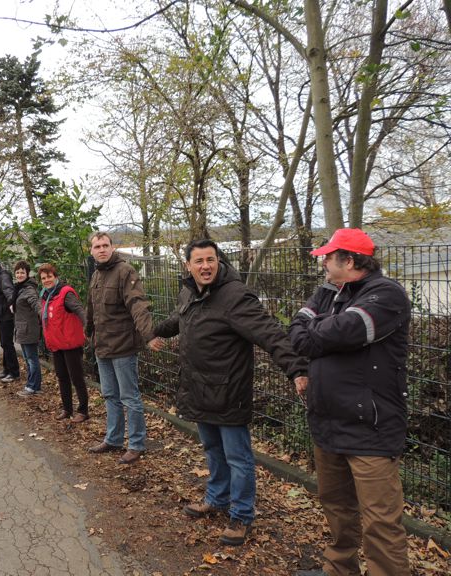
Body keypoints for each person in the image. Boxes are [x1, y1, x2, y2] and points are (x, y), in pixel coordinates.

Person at [151, 239, 307, 546]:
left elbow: (268, 331)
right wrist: (154, 330)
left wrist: (296, 368)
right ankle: (217, 498)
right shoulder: (188, 291)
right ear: (188, 266)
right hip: (198, 389)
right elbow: (179, 320)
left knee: (238, 457)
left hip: (229, 391)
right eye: (199, 261)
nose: (205, 266)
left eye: (211, 260)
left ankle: (242, 515)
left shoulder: (235, 296)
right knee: (212, 450)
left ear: (219, 262)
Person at [288, 229, 411, 576]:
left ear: (351, 260)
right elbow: (297, 331)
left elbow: (340, 331)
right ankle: (339, 570)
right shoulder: (332, 292)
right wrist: (318, 329)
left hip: (369, 430)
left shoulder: (387, 295)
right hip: (328, 423)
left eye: (329, 256)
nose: (323, 262)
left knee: (380, 523)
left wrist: (317, 330)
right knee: (338, 509)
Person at [85, 231, 156, 465]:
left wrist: (149, 334)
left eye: (106, 245)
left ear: (112, 247)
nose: (102, 249)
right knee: (110, 396)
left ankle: (136, 444)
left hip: (124, 346)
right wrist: (88, 335)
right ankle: (113, 438)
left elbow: (137, 304)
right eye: (98, 246)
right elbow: (92, 309)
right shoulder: (96, 274)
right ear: (91, 251)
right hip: (102, 346)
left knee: (129, 397)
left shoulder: (125, 271)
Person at [38, 263, 90, 423]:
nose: (46, 280)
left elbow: (79, 309)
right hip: (56, 343)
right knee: (62, 377)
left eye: (49, 277)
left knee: (76, 377)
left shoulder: (65, 293)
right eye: (43, 278)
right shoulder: (46, 296)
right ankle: (67, 409)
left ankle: (83, 410)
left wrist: (87, 326)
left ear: (56, 277)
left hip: (70, 343)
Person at [12, 261, 42, 392]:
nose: (19, 275)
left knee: (32, 359)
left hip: (29, 329)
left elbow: (36, 304)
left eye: (22, 272)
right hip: (21, 328)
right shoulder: (19, 288)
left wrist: (44, 315)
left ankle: (33, 386)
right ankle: (31, 384)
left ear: (27, 274)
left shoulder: (28, 289)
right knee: (28, 358)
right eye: (17, 272)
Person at [0, 257, 20, 382]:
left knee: (7, 344)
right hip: (1, 316)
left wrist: (11, 304)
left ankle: (14, 372)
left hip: (6, 316)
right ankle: (7, 369)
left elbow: (9, 291)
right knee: (4, 344)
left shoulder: (3, 276)